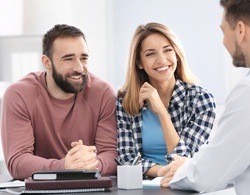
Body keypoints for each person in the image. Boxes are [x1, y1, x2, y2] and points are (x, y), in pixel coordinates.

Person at [0, 24, 117, 179]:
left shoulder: (103, 93)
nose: (79, 68)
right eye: (68, 59)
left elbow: (112, 154)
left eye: (84, 58)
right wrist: (64, 166)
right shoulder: (18, 94)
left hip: (91, 185)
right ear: (47, 62)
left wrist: (92, 163)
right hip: (41, 189)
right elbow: (18, 162)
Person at [158, 1, 250, 194]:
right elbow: (232, 164)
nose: (223, 41)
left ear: (240, 30)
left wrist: (183, 168)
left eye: (224, 31)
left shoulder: (246, 92)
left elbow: (209, 175)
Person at [116, 22, 216, 178]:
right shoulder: (125, 101)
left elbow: (184, 158)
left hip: (187, 186)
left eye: (167, 50)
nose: (161, 60)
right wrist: (164, 172)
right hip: (145, 187)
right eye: (150, 54)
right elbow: (127, 160)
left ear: (176, 54)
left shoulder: (201, 100)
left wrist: (162, 113)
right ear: (139, 62)